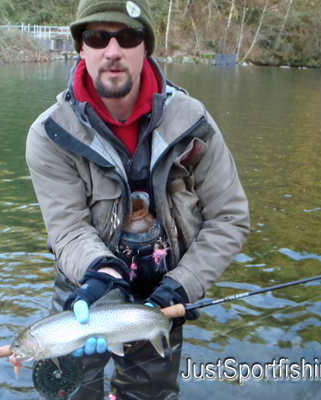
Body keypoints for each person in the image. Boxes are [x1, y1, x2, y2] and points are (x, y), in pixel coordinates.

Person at [25, 0, 250, 398]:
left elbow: (229, 218)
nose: (112, 51)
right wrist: (102, 274)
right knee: (74, 391)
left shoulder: (194, 123)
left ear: (145, 46)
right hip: (86, 292)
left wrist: (183, 286)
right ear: (81, 48)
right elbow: (68, 228)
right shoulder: (49, 135)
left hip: (165, 293)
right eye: (97, 37)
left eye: (126, 36)